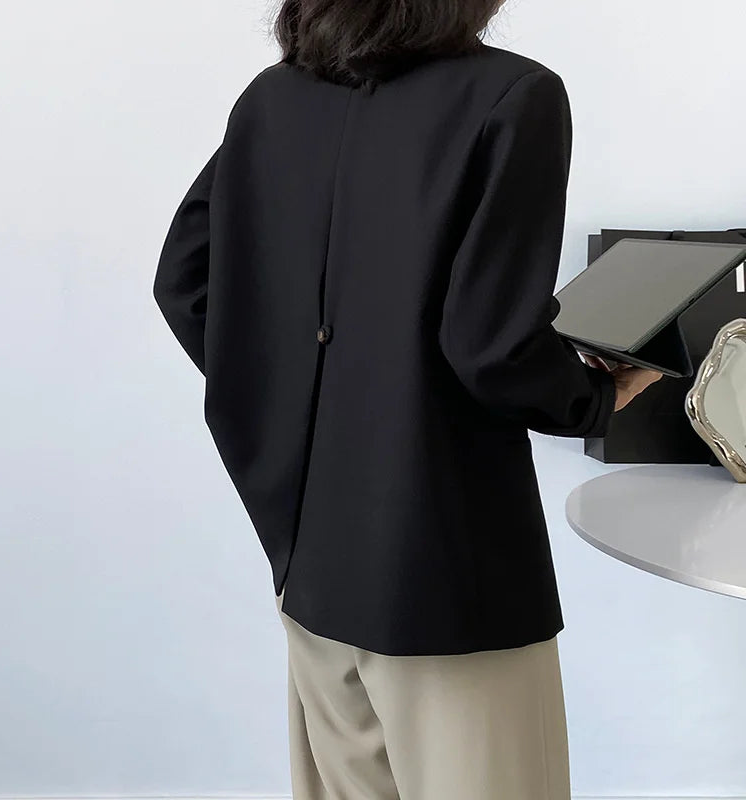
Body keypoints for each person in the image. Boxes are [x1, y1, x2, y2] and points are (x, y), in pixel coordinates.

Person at [152, 1, 663, 797]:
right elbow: (490, 344)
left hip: (308, 561)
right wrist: (594, 395)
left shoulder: (272, 98)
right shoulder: (514, 96)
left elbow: (186, 283)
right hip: (449, 573)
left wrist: (287, 406)